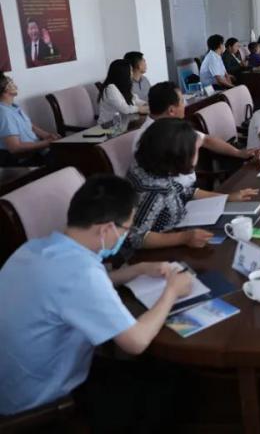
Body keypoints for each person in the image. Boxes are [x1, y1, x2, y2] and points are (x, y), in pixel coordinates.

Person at [0, 175, 194, 418]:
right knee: (174, 384)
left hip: (11, 385)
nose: (126, 235)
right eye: (126, 229)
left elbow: (74, 292)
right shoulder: (81, 273)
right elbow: (136, 342)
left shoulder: (33, 249)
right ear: (107, 229)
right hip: (39, 404)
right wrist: (172, 291)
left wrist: (138, 269)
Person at [125, 118, 257, 256]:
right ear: (178, 155)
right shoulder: (156, 192)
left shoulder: (147, 169)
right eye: (196, 149)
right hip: (157, 254)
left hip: (179, 232)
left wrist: (227, 197)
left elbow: (185, 191)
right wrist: (183, 238)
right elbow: (133, 237)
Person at [133, 82, 260, 164]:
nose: (185, 105)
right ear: (171, 110)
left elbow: (206, 139)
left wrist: (238, 153)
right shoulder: (149, 138)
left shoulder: (171, 125)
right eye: (182, 101)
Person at [0, 73, 59, 163]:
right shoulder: (4, 113)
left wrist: (47, 135)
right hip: (24, 158)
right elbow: (15, 147)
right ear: (4, 90)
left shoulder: (13, 107)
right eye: (11, 83)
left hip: (36, 151)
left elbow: (30, 126)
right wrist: (47, 143)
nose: (15, 86)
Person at [98, 59, 148, 125]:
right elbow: (124, 109)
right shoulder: (110, 88)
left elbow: (135, 100)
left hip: (122, 123)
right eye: (130, 71)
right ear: (123, 73)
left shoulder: (123, 87)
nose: (132, 73)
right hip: (108, 126)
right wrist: (139, 109)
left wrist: (147, 104)